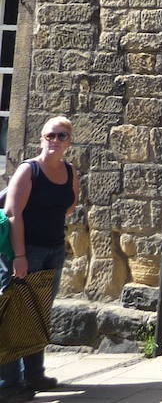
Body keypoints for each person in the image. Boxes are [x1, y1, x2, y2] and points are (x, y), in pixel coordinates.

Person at [1, 116, 80, 396]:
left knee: (37, 313)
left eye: (61, 136)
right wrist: (20, 255)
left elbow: (70, 205)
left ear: (69, 141)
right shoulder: (28, 170)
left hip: (53, 250)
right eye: (50, 135)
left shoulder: (70, 172)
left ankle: (35, 375)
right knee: (13, 315)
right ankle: (9, 384)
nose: (55, 141)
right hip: (25, 251)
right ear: (41, 138)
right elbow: (13, 215)